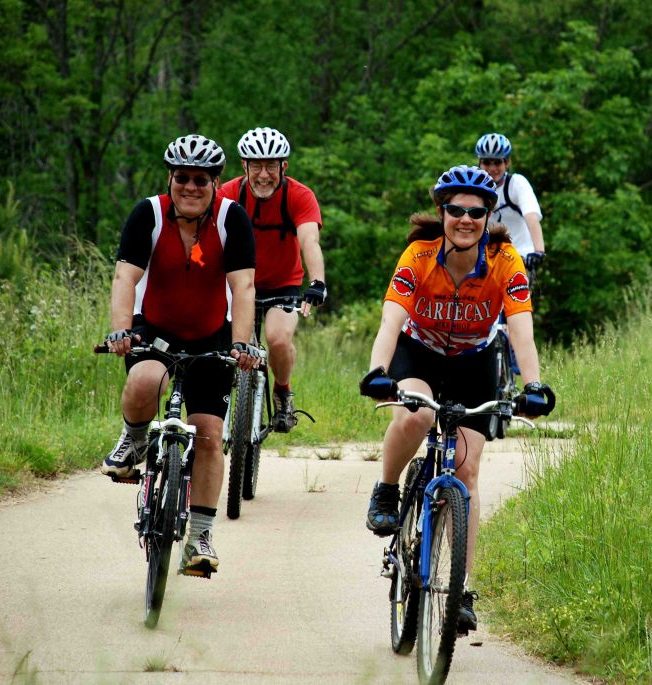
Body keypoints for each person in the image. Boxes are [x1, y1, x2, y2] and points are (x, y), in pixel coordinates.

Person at [358, 165, 556, 634]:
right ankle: (388, 487)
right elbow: (390, 321)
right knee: (416, 418)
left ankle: (461, 590)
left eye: (476, 212)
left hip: (474, 361)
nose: (465, 219)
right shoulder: (418, 255)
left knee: (467, 470)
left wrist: (533, 385)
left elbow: (522, 333)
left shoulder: (507, 262)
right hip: (418, 352)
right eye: (455, 210)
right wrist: (378, 372)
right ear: (441, 212)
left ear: (489, 215)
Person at [101, 134, 262, 573]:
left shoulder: (233, 220)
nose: (190, 188)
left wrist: (242, 343)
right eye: (182, 178)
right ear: (170, 179)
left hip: (213, 337)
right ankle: (133, 440)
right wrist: (120, 331)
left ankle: (200, 539)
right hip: (155, 330)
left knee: (209, 432)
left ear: (215, 183)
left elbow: (243, 287)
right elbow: (125, 279)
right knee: (144, 381)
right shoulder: (147, 214)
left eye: (201, 180)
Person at [218, 127, 326, 433]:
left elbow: (310, 242)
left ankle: (282, 393)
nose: (263, 174)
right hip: (238, 286)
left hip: (284, 285)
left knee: (278, 339)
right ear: (244, 167)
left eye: (271, 166)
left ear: (284, 167)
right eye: (256, 166)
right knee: (223, 347)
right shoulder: (227, 194)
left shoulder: (299, 195)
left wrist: (317, 281)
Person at [475, 133, 545, 277]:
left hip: (520, 256)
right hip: (487, 258)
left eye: (497, 162)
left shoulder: (516, 184)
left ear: (507, 162)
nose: (492, 168)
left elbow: (531, 216)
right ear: (480, 163)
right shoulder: (475, 188)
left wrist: (538, 251)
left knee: (516, 295)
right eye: (487, 162)